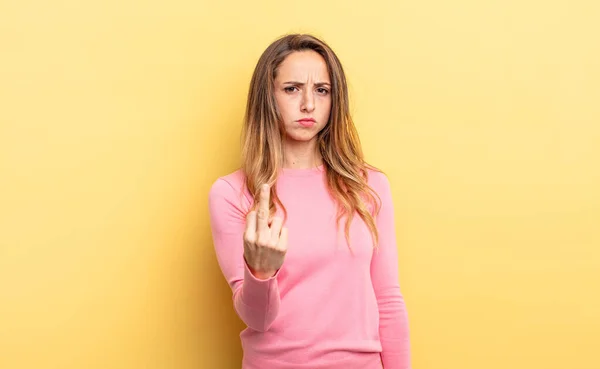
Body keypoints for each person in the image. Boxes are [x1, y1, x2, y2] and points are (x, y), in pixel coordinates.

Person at [208, 33, 411, 369]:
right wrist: (261, 272)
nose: (308, 105)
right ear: (268, 97)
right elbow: (257, 319)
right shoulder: (232, 194)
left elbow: (388, 301)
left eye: (322, 90)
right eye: (292, 89)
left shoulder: (369, 186)